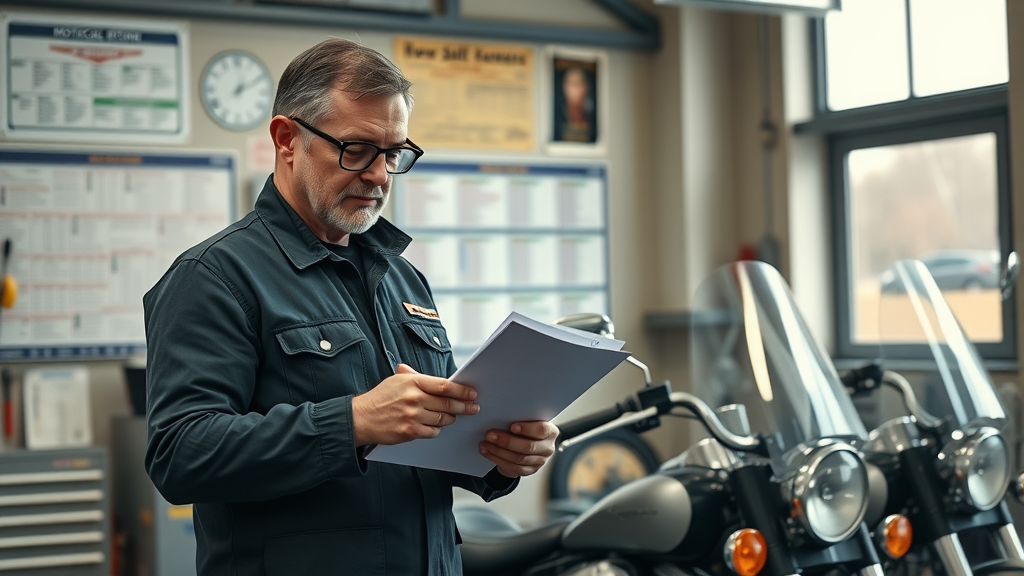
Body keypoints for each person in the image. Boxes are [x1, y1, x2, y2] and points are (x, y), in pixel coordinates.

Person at [143, 38, 557, 576]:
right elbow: (180, 455)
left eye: (393, 154)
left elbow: (439, 436)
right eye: (357, 150)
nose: (381, 175)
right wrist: (353, 422)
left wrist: (501, 457)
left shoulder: (404, 279)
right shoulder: (215, 277)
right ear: (287, 138)